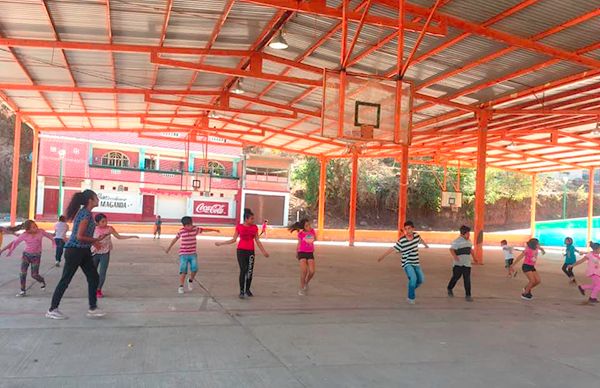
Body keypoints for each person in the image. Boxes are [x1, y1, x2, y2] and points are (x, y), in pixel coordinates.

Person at [46, 189, 109, 320]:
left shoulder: (86, 213)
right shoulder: (85, 214)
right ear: (90, 200)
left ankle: (93, 308)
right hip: (75, 251)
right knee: (66, 279)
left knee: (93, 277)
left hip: (83, 250)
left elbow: (83, 236)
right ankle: (52, 309)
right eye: (96, 197)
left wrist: (93, 243)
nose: (98, 199)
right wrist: (95, 240)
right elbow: (79, 236)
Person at [215, 208, 269, 299]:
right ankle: (241, 290)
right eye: (251, 218)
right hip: (241, 251)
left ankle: (247, 289)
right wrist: (221, 243)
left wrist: (264, 251)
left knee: (250, 271)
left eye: (253, 218)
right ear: (246, 219)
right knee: (243, 270)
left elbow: (257, 240)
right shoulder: (239, 227)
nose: (253, 220)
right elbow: (233, 239)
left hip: (251, 251)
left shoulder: (254, 227)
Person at [378, 221, 429, 304]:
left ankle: (410, 290)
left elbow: (421, 240)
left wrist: (426, 245)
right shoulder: (402, 241)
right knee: (413, 278)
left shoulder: (416, 236)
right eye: (405, 229)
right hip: (407, 262)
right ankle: (411, 298)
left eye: (409, 229)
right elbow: (392, 249)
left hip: (416, 262)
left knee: (421, 280)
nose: (407, 231)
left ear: (413, 229)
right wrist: (382, 256)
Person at [166, 216, 219, 294]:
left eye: (191, 224)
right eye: (188, 225)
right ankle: (181, 286)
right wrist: (169, 247)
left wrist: (214, 230)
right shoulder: (181, 231)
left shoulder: (195, 229)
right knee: (183, 270)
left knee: (195, 269)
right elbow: (175, 239)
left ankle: (190, 280)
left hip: (192, 253)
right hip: (183, 254)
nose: (190, 226)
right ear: (184, 226)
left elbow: (204, 230)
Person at [0, 220, 54, 297]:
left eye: (35, 225)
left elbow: (50, 236)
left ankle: (42, 281)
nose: (36, 227)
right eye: (33, 227)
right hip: (26, 256)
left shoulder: (41, 232)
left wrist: (55, 241)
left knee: (34, 275)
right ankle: (22, 290)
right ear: (28, 230)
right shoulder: (24, 235)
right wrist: (3, 250)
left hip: (36, 256)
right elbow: (14, 243)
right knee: (22, 274)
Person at [92, 213, 139, 298]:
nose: (105, 223)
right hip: (94, 253)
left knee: (102, 273)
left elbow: (119, 237)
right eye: (103, 221)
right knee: (92, 273)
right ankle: (92, 288)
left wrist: (131, 236)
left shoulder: (110, 229)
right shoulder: (93, 229)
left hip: (105, 253)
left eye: (106, 221)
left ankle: (98, 289)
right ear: (97, 222)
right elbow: (88, 239)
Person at [289, 218, 317, 296]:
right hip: (302, 252)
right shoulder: (300, 234)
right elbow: (299, 243)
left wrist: (310, 238)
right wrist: (296, 252)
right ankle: (301, 288)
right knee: (304, 270)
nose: (309, 227)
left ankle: (306, 282)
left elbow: (315, 239)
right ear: (304, 227)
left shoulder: (312, 231)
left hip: (310, 253)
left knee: (312, 271)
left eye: (309, 225)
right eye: (307, 226)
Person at [447, 225, 475, 302]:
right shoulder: (457, 241)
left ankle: (468, 295)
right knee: (456, 277)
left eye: (469, 234)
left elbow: (470, 250)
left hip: (467, 264)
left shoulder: (469, 241)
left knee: (467, 279)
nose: (469, 235)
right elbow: (451, 249)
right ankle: (449, 288)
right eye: (468, 234)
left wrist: (475, 258)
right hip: (458, 264)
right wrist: (455, 257)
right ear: (463, 233)